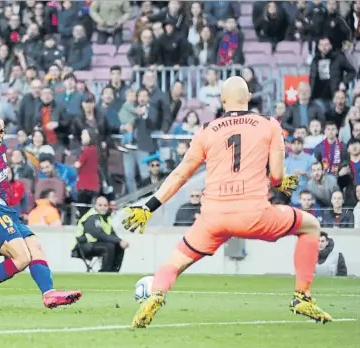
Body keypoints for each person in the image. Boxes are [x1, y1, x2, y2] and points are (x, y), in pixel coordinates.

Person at [122, 76, 332, 328]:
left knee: (173, 262)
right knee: (309, 226)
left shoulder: (207, 129)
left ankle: (156, 294)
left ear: (222, 101)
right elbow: (276, 177)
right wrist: (279, 183)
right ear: (248, 97)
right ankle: (302, 297)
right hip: (254, 214)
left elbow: (180, 174)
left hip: (213, 217)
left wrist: (149, 206)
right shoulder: (269, 124)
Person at [0, 113, 82, 311]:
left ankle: (48, 293)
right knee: (22, 258)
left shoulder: (2, 149)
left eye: (0, 132)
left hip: (4, 210)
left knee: (35, 246)